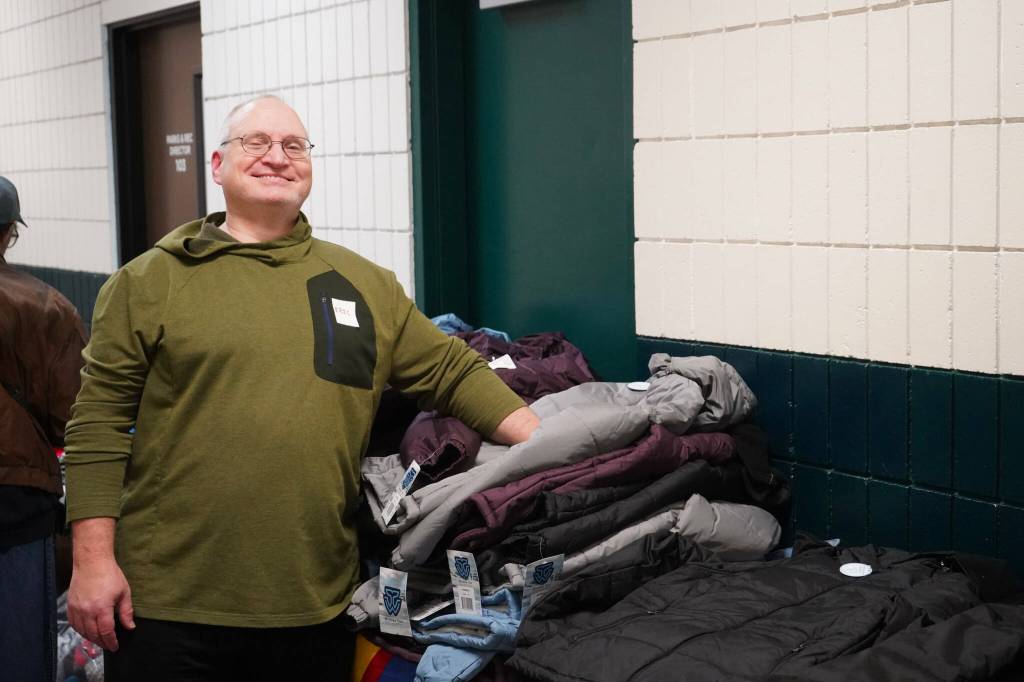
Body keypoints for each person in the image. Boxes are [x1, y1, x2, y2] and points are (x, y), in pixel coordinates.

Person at [63, 95, 540, 680]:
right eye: (255, 143)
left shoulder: (364, 284)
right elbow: (98, 426)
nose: (277, 157)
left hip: (315, 605)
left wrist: (547, 444)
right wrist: (92, 562)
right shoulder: (149, 281)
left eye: (294, 146)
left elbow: (453, 372)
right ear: (217, 164)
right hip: (169, 606)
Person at [0, 175, 88, 682]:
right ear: (10, 230)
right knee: (18, 660)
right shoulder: (46, 307)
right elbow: (73, 420)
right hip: (15, 511)